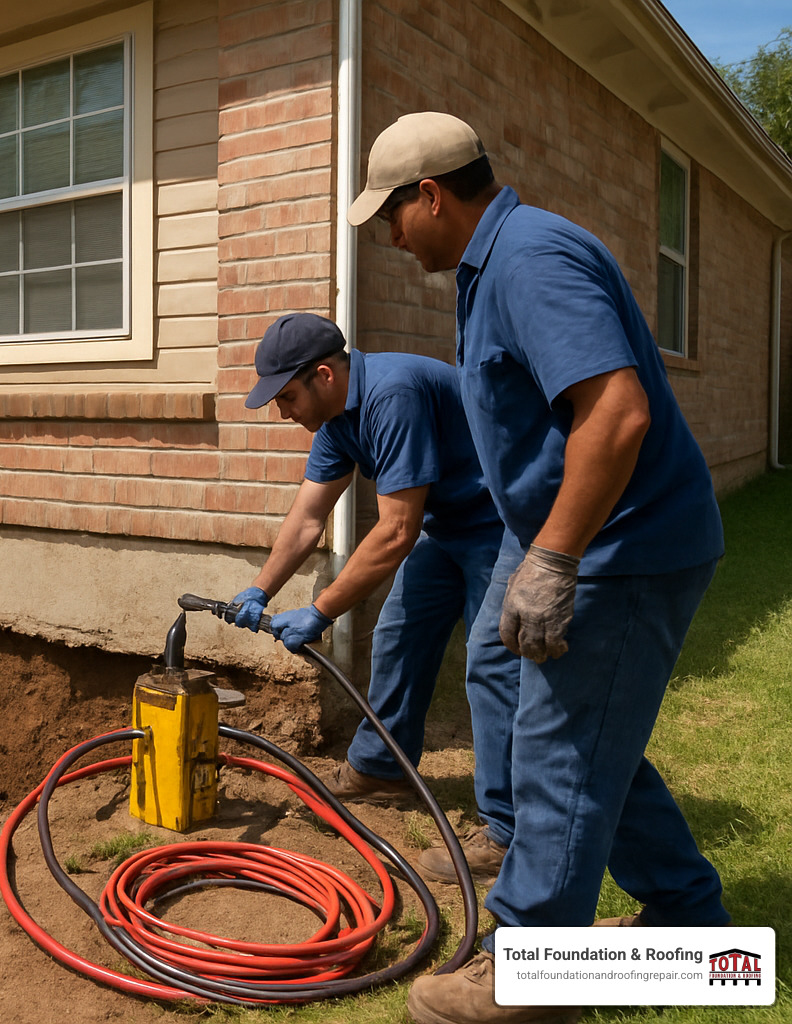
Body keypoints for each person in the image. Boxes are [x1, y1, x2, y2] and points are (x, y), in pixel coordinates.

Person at [349, 111, 729, 1024]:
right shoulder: (490, 267)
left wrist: (553, 558)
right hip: (576, 535)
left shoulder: (530, 262)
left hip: (619, 548)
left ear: (430, 196)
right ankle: (688, 924)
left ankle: (534, 976)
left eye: (390, 216)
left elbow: (617, 414)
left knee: (561, 753)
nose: (390, 238)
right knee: (575, 734)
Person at [228, 312, 517, 884]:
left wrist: (320, 611)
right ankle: (383, 769)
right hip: (450, 525)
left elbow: (396, 531)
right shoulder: (336, 421)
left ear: (324, 376)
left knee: (492, 663)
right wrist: (261, 588)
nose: (284, 413)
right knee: (398, 635)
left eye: (287, 398)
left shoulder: (392, 395)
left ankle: (509, 832)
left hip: (503, 522)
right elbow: (307, 518)